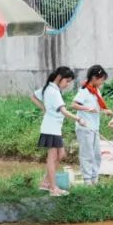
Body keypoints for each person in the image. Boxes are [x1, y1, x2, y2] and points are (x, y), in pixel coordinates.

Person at [35, 67, 85, 197]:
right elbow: (63, 111)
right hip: (51, 128)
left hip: (54, 128)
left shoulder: (50, 88)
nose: (67, 84)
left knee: (61, 155)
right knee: (52, 157)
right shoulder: (53, 91)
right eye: (67, 81)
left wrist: (45, 109)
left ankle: (46, 182)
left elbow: (33, 96)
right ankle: (53, 188)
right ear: (59, 77)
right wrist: (78, 118)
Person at [71, 65, 111, 185]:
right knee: (87, 154)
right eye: (101, 79)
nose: (102, 82)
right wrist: (87, 108)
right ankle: (87, 180)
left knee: (97, 154)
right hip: (85, 128)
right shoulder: (84, 90)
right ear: (94, 77)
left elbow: (97, 108)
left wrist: (106, 111)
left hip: (94, 128)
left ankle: (95, 178)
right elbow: (73, 105)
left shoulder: (96, 91)